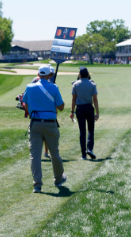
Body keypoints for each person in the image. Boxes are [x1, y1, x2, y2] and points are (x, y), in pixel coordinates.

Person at [22, 64, 67, 193]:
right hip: (50, 123)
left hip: (35, 123)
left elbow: (25, 104)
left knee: (35, 155)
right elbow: (61, 107)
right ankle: (58, 179)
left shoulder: (29, 87)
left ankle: (37, 184)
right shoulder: (54, 87)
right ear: (49, 75)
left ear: (38, 74)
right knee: (55, 153)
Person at [70, 67, 99, 160]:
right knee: (91, 130)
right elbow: (95, 99)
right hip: (89, 108)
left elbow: (73, 99)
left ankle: (83, 154)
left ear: (80, 74)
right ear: (88, 74)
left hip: (80, 109)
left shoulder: (75, 84)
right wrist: (97, 112)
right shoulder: (92, 84)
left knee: (82, 132)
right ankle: (90, 149)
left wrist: (72, 111)